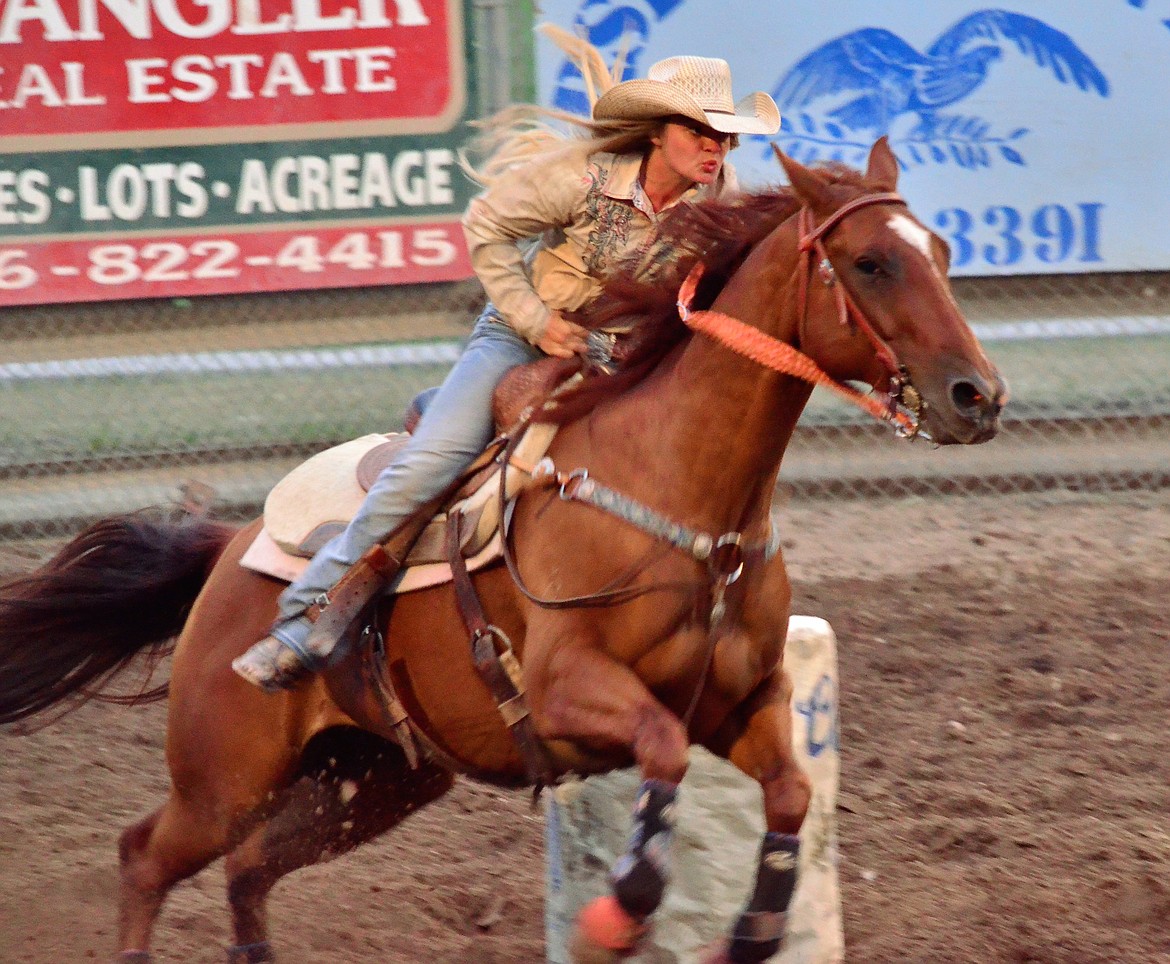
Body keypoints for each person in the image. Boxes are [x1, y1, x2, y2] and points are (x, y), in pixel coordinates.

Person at [232, 52, 781, 691]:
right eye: (700, 133)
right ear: (658, 132)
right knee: (435, 459)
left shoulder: (722, 200)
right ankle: (309, 611)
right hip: (521, 338)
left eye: (725, 135)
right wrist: (533, 319)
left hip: (624, 355)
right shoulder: (579, 177)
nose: (716, 148)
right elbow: (487, 226)